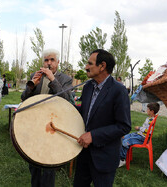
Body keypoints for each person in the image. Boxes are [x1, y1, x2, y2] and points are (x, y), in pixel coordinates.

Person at [74, 49, 131, 187]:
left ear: (102, 66)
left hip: (104, 158)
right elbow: (84, 112)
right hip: (83, 153)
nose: (86, 67)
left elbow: (123, 126)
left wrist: (93, 136)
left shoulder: (119, 90)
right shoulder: (88, 87)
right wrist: (65, 108)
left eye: (89, 63)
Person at [21, 48, 73, 187]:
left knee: (49, 161)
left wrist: (52, 78)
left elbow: (66, 100)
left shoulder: (65, 79)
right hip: (35, 123)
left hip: (53, 124)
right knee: (33, 159)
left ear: (58, 62)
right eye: (46, 60)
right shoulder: (34, 75)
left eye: (52, 60)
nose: (49, 63)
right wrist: (31, 87)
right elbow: (23, 98)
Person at [118, 102, 160, 167]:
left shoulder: (151, 121)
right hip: (139, 135)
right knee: (123, 137)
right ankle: (119, 154)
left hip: (142, 138)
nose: (146, 110)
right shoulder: (150, 118)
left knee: (125, 142)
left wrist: (139, 128)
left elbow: (149, 131)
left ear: (152, 111)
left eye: (147, 109)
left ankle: (122, 159)